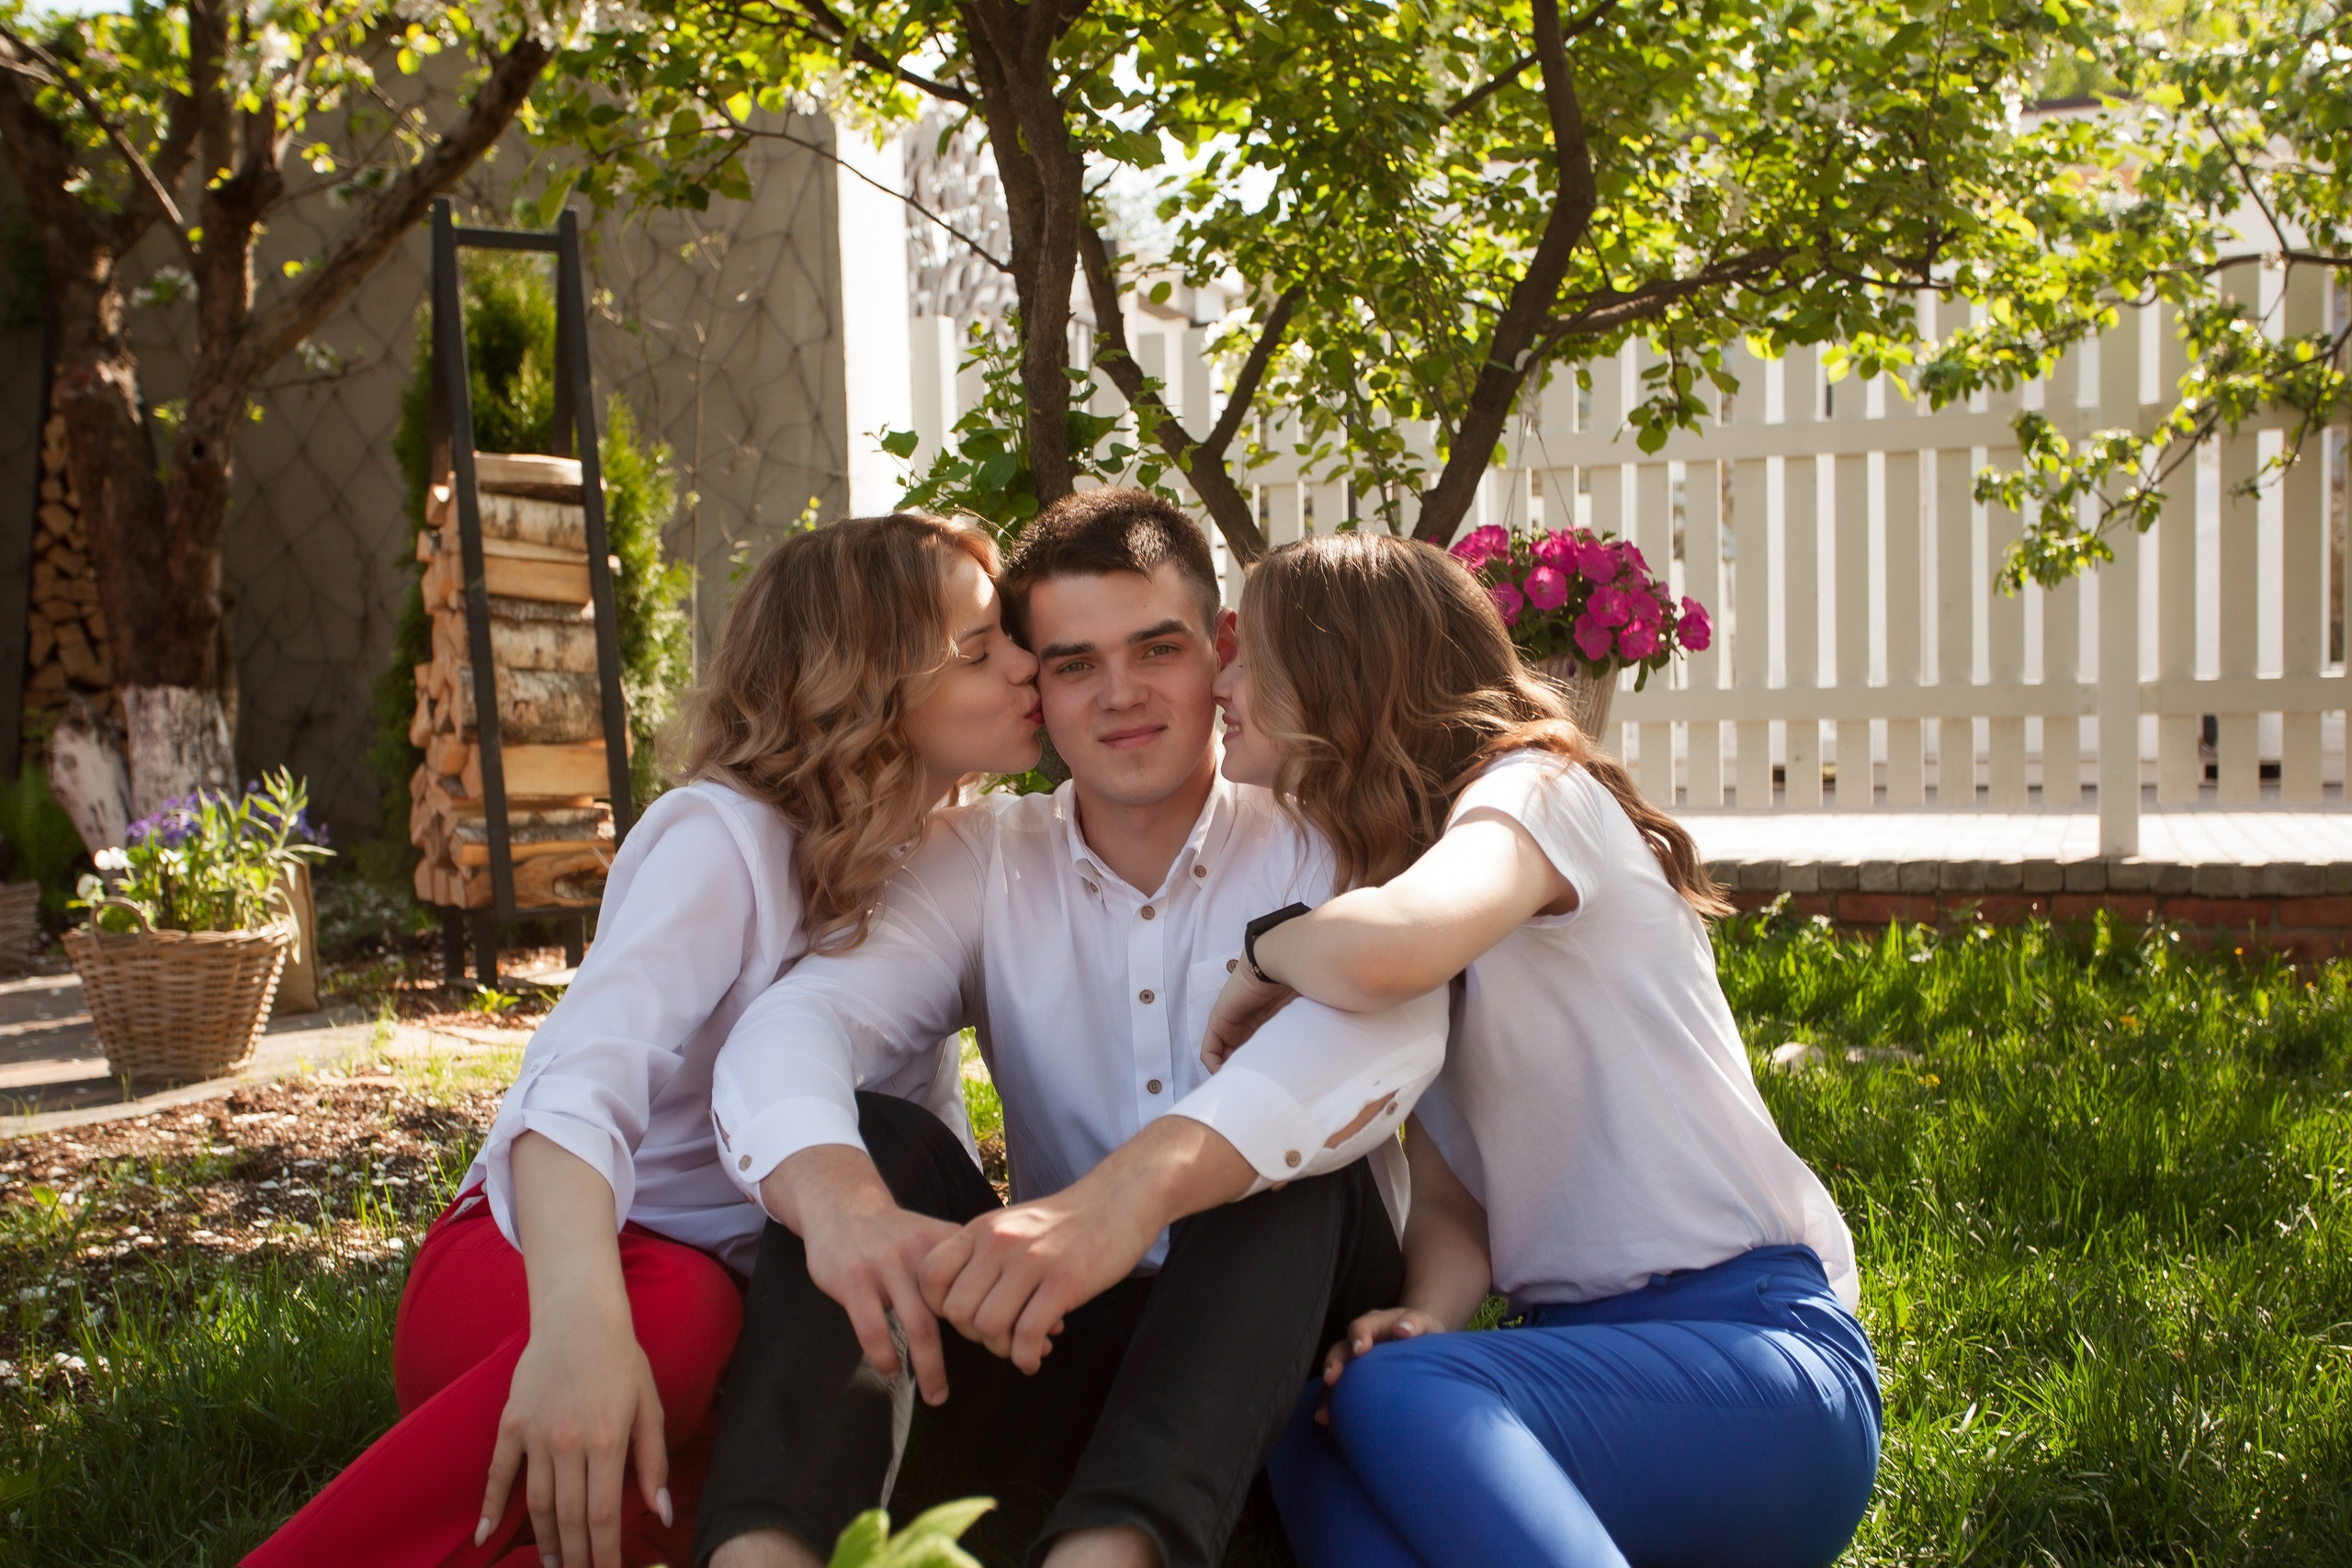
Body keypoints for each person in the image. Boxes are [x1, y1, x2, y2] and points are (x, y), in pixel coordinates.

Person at [243, 514, 1046, 1568]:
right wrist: (582, 1323)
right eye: (982, 651)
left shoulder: (933, 860)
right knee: (681, 1315)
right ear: (861, 681)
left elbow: (909, 1133)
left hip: (742, 1316)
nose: (1033, 666)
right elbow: (574, 1088)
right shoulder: (723, 841)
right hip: (549, 1270)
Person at [696, 489, 1448, 1568]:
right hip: (1047, 1336)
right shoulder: (984, 857)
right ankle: (766, 1558)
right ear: (1034, 686)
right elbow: (799, 1024)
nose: (1122, 696)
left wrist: (1127, 1194)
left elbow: (1387, 1037)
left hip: (1283, 1366)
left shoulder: (1319, 837)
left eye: (1157, 649)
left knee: (1282, 1173)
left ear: (1220, 649)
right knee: (874, 1139)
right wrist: (840, 1201)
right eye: (1073, 663)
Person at [1204, 533, 1882, 1568]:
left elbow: (1392, 948)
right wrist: (1421, 1319)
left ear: (1335, 666)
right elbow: (1453, 1205)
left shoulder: (1534, 793)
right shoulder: (1412, 867)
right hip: (1588, 1368)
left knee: (1390, 1399)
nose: (1223, 678)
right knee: (1314, 1428)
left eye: (1246, 650)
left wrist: (1265, 953)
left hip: (1758, 1361)